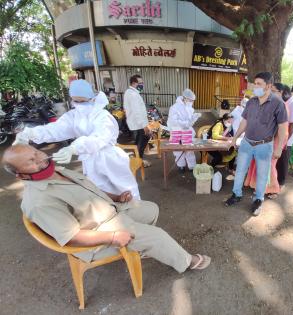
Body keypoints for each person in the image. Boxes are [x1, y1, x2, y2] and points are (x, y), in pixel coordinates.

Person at [2, 145, 211, 272]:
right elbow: (71, 237)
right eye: (31, 161)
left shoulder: (56, 170)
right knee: (158, 236)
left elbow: (89, 190)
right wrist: (112, 237)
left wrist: (117, 197)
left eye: (37, 152)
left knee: (151, 208)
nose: (41, 159)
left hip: (110, 211)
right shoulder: (38, 201)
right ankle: (187, 261)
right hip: (98, 232)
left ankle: (140, 247)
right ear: (20, 175)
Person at [13, 79, 140, 200]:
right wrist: (29, 133)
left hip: (109, 159)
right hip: (90, 159)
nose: (79, 104)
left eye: (82, 101)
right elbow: (56, 129)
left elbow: (98, 138)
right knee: (100, 193)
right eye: (76, 101)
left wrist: (75, 147)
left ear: (93, 98)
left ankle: (137, 215)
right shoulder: (74, 116)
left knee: (125, 191)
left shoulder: (103, 117)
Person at [225, 72, 288, 216]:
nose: (255, 86)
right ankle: (236, 195)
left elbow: (283, 128)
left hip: (264, 146)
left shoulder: (278, 104)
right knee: (240, 170)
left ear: (269, 86)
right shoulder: (251, 102)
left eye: (259, 84)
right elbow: (244, 122)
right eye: (255, 83)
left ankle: (258, 200)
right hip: (247, 143)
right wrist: (235, 138)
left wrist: (278, 149)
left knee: (262, 175)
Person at [167, 89, 201, 172]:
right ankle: (181, 166)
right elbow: (174, 121)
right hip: (176, 131)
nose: (191, 102)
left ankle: (192, 166)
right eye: (190, 100)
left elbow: (190, 123)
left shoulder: (189, 108)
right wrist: (186, 124)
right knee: (177, 150)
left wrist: (194, 118)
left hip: (186, 131)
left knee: (189, 149)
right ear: (185, 98)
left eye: (192, 101)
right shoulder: (174, 107)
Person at [275, 84, 293, 187]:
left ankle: (281, 183)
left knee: (283, 162)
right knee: (278, 161)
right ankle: (276, 181)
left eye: (276, 92)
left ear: (283, 92)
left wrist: (285, 141)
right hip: (280, 137)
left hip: (286, 139)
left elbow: (292, 124)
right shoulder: (285, 102)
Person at [123, 75, 152, 167]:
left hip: (137, 123)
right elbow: (136, 112)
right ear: (134, 83)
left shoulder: (131, 93)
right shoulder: (132, 94)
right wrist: (144, 126)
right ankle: (139, 162)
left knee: (139, 143)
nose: (142, 85)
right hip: (138, 124)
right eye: (140, 83)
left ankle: (138, 160)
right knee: (141, 142)